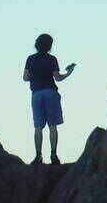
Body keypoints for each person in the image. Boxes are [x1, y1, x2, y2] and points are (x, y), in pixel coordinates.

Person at [22, 33, 75, 164]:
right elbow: (57, 78)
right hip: (50, 92)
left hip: (36, 94)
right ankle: (53, 155)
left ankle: (38, 156)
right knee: (53, 125)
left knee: (38, 127)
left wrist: (35, 75)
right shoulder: (52, 59)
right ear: (49, 46)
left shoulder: (30, 59)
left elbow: (25, 77)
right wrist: (69, 73)